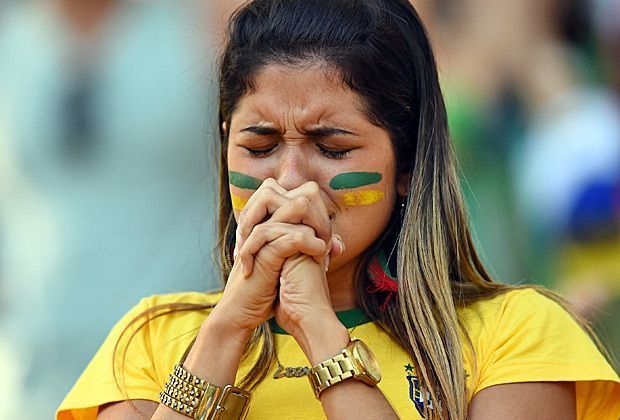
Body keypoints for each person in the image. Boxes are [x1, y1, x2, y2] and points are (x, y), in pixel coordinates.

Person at [57, 1, 620, 419]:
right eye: (259, 146)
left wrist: (319, 329)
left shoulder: (516, 334)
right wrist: (228, 330)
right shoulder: (154, 338)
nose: (290, 182)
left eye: (332, 148)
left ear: (407, 163)